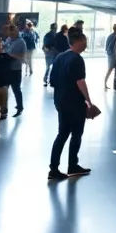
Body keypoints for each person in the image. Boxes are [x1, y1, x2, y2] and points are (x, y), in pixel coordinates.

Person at [48, 31, 94, 180]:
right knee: (76, 134)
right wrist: (88, 100)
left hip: (60, 101)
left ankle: (54, 167)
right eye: (85, 40)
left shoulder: (60, 57)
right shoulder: (77, 59)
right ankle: (72, 164)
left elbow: (52, 80)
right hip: (74, 102)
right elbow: (80, 81)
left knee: (62, 133)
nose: (86, 43)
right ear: (78, 41)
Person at [4, 25, 26, 116]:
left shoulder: (21, 42)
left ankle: (20, 107)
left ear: (17, 31)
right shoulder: (8, 40)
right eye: (10, 32)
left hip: (15, 69)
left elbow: (21, 56)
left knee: (16, 89)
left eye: (13, 32)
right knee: (5, 90)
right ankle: (4, 110)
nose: (11, 34)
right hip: (6, 69)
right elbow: (4, 48)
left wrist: (8, 55)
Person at [103, 22, 116, 89]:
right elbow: (111, 47)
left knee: (111, 69)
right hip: (112, 56)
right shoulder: (115, 36)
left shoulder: (111, 36)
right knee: (110, 69)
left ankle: (109, 84)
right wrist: (114, 54)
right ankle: (105, 83)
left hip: (111, 55)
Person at [42, 22, 58, 86]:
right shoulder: (50, 35)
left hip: (51, 53)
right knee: (49, 67)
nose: (56, 28)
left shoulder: (50, 34)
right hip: (51, 52)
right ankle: (47, 79)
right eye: (56, 27)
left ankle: (48, 80)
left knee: (49, 67)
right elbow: (46, 44)